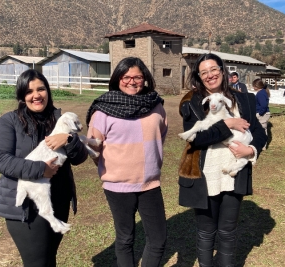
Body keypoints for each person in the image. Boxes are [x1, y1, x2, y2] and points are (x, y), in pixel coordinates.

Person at [0, 69, 88, 267]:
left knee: (48, 259)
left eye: (41, 89)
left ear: (48, 91)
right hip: (27, 208)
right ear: (21, 96)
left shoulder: (60, 120)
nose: (36, 95)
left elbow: (79, 158)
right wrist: (40, 169)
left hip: (57, 202)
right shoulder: (10, 121)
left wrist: (69, 140)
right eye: (29, 91)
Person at [178, 53, 267, 267]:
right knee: (206, 232)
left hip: (233, 174)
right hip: (205, 175)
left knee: (228, 231)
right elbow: (197, 138)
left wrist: (251, 150)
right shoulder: (191, 102)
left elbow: (258, 132)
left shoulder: (244, 98)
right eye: (204, 72)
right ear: (199, 77)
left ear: (222, 70)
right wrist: (228, 125)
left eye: (214, 69)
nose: (210, 75)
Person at [86, 57, 168, 267]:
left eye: (137, 77)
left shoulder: (156, 105)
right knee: (125, 239)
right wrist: (113, 168)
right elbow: (93, 147)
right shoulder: (103, 109)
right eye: (126, 77)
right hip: (118, 186)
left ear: (145, 79)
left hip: (150, 184)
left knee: (158, 239)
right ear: (117, 79)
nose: (132, 81)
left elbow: (161, 134)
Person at [253, 78, 271, 150]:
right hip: (262, 113)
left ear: (256, 86)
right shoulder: (262, 92)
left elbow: (263, 105)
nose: (253, 87)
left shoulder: (261, 93)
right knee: (261, 129)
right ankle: (261, 144)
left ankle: (263, 145)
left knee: (263, 129)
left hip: (263, 114)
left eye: (253, 86)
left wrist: (260, 113)